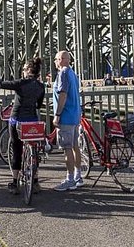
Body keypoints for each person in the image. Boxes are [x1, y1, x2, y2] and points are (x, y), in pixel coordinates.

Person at [0, 57, 45, 194]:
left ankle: (14, 182)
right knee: (34, 149)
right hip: (32, 121)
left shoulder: (20, 83)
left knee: (16, 149)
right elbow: (39, 105)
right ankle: (35, 182)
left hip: (17, 120)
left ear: (29, 70)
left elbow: (0, 84)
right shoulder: (41, 86)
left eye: (24, 69)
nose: (22, 71)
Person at [52, 50, 83, 191]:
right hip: (75, 115)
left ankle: (69, 179)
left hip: (66, 116)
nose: (55, 62)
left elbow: (63, 95)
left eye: (56, 59)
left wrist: (57, 114)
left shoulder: (63, 73)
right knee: (75, 146)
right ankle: (78, 176)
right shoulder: (73, 74)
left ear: (63, 59)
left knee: (67, 148)